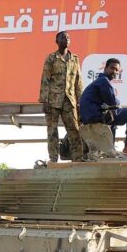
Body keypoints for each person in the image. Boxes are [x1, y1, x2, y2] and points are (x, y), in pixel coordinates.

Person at [79, 58, 127, 156]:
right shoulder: (104, 81)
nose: (114, 72)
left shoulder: (98, 81)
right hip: (94, 117)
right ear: (105, 68)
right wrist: (118, 102)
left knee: (112, 118)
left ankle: (110, 149)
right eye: (112, 68)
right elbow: (113, 102)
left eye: (117, 70)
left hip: (90, 117)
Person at [39, 31, 84, 162]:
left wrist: (80, 101)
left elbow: (78, 81)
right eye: (63, 37)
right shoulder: (51, 58)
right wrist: (44, 100)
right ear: (57, 41)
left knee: (74, 130)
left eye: (68, 38)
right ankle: (53, 159)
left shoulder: (75, 59)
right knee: (52, 131)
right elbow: (45, 79)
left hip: (69, 101)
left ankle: (78, 158)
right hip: (52, 100)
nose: (66, 39)